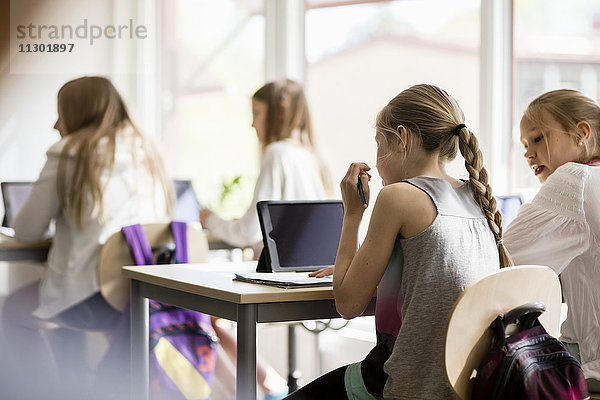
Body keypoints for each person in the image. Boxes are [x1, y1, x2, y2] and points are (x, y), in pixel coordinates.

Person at [287, 84, 511, 399]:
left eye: (380, 144)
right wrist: (360, 267)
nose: (377, 160)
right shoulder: (478, 195)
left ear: (402, 138)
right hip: (468, 382)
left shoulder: (399, 196)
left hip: (406, 382)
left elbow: (348, 304)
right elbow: (436, 276)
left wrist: (352, 214)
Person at [2, 76, 173, 398]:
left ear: (78, 112)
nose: (56, 125)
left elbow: (26, 230)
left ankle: (50, 394)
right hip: (145, 293)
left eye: (61, 113)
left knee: (12, 312)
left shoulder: (69, 151)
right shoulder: (147, 151)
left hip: (92, 299)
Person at [504, 89, 600, 392]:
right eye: (524, 145)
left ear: (581, 133)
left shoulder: (575, 179)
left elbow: (503, 257)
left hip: (592, 363)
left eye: (538, 138)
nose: (528, 154)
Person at [200, 78, 329, 255]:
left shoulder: (276, 154)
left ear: (279, 114)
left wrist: (209, 220)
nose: (252, 124)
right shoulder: (308, 156)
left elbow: (248, 232)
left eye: (257, 113)